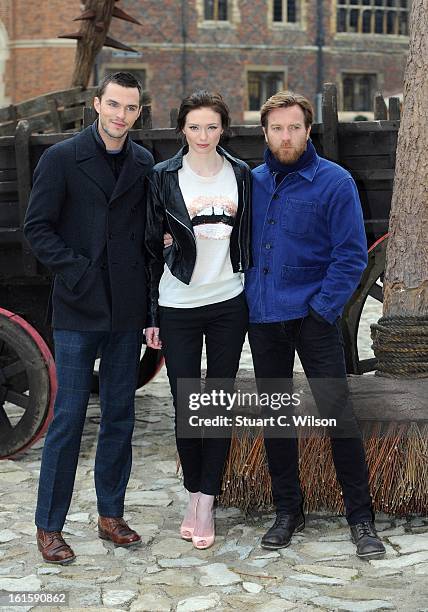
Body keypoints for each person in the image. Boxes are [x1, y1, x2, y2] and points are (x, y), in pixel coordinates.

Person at [245, 91, 386, 559]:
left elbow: (350, 256)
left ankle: (360, 518)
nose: (286, 136)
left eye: (294, 127)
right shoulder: (251, 182)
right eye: (277, 128)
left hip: (313, 317)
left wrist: (322, 310)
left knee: (337, 415)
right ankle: (288, 511)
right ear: (265, 132)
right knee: (276, 418)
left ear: (309, 131)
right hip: (264, 318)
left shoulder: (335, 182)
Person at [24, 72, 154, 564]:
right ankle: (49, 527)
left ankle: (110, 515)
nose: (121, 115)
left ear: (139, 113)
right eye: (114, 104)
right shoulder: (60, 159)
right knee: (69, 419)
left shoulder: (143, 162)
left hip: (125, 312)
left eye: (131, 108)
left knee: (120, 416)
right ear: (97, 104)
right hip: (79, 309)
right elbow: (38, 227)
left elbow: (146, 236)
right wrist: (77, 271)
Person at [145, 90, 251, 550]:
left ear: (223, 128)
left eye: (211, 126)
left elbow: (250, 231)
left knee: (220, 402)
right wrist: (151, 315)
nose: (203, 136)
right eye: (194, 127)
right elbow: (149, 248)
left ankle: (207, 499)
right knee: (188, 405)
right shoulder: (163, 176)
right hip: (178, 304)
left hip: (229, 300)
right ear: (182, 130)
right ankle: (194, 492)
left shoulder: (241, 174)